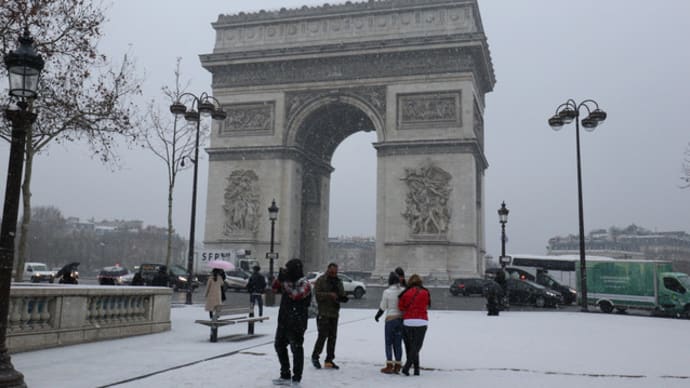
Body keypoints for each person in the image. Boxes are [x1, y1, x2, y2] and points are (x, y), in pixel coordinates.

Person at [273, 258, 311, 386]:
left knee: (296, 348)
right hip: (284, 319)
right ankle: (285, 374)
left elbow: (296, 295)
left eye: (289, 268)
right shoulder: (287, 281)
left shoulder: (304, 282)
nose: (287, 271)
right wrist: (279, 280)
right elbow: (274, 289)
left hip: (297, 321)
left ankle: (296, 377)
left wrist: (284, 282)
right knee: (279, 345)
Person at [311, 263, 348, 370]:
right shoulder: (321, 280)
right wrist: (329, 295)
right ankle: (315, 357)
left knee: (332, 337)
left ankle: (329, 360)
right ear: (328, 270)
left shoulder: (338, 281)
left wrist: (343, 297)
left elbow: (341, 294)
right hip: (323, 313)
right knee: (322, 336)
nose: (334, 274)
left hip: (334, 312)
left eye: (335, 272)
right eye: (332, 272)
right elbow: (317, 295)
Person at [398, 274, 431, 376]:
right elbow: (427, 304)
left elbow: (401, 307)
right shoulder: (425, 292)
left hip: (408, 321)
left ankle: (416, 369)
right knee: (416, 347)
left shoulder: (405, 292)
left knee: (411, 346)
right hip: (421, 321)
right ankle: (408, 366)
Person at [374, 271, 404, 374]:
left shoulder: (386, 292)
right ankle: (398, 365)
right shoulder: (403, 291)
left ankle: (389, 365)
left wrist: (377, 315)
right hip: (400, 319)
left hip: (390, 320)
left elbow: (383, 307)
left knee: (388, 343)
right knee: (398, 343)